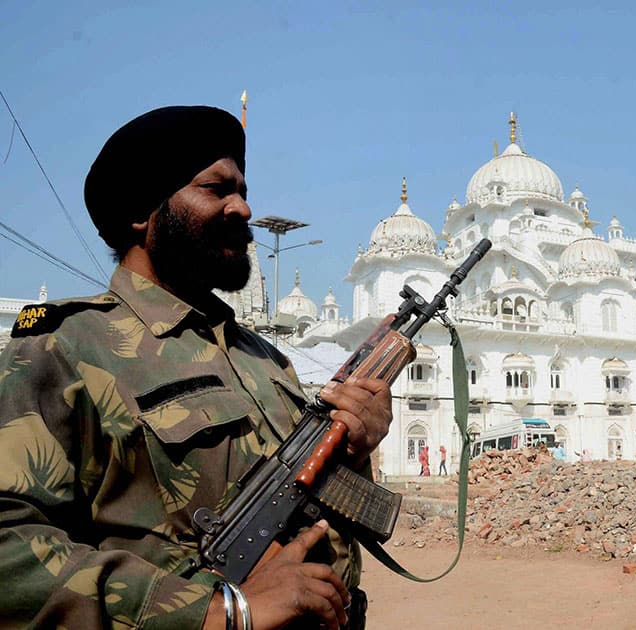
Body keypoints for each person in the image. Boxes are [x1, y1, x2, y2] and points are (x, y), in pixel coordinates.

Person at [0, 106, 393, 629]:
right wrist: (218, 612)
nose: (245, 208)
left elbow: (313, 510)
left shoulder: (264, 359)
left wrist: (353, 446)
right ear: (143, 209)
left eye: (244, 190)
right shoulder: (65, 348)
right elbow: (9, 545)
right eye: (217, 188)